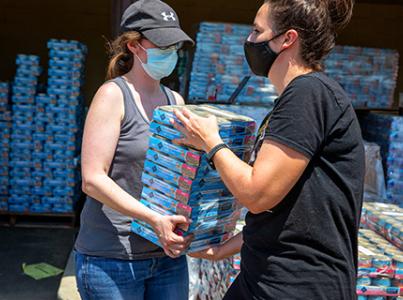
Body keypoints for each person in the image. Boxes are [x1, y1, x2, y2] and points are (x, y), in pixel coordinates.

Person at [173, 0, 364, 299]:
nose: (249, 40)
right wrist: (228, 247)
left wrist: (211, 142)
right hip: (266, 276)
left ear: (287, 39)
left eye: (256, 30)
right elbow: (286, 208)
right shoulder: (299, 98)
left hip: (297, 286)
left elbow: (258, 194)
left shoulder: (307, 94)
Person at [74, 1, 194, 299]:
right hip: (112, 259)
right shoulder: (112, 96)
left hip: (165, 256)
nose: (171, 53)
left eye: (174, 45)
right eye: (162, 44)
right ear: (134, 45)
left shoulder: (175, 101)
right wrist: (153, 219)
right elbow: (92, 179)